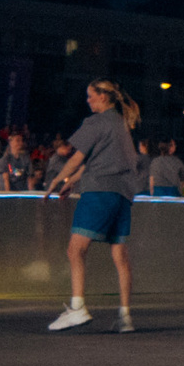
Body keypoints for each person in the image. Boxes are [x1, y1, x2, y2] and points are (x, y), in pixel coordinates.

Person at [41, 80, 143, 333]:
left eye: (90, 96)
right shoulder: (121, 124)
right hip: (122, 195)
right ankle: (125, 316)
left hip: (99, 191)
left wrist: (57, 180)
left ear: (102, 97)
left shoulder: (95, 123)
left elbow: (78, 158)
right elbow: (97, 161)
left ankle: (78, 308)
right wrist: (72, 183)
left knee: (75, 250)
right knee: (120, 256)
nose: (87, 101)